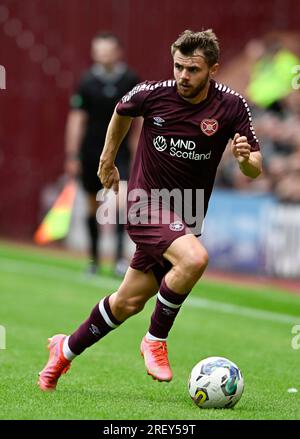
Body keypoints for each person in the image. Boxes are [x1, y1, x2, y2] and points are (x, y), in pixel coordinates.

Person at [38, 29, 262, 391]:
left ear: (214, 70)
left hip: (185, 215)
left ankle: (63, 350)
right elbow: (121, 110)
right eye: (178, 67)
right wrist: (107, 159)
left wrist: (244, 160)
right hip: (144, 205)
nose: (183, 77)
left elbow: (255, 164)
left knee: (127, 302)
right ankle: (155, 340)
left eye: (192, 70)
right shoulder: (152, 94)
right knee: (194, 259)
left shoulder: (232, 106)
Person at [64, 31, 140, 276]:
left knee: (119, 202)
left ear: (118, 52)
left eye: (107, 50)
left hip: (121, 152)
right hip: (92, 151)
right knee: (90, 204)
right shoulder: (86, 82)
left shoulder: (130, 80)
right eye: (98, 50)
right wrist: (72, 155)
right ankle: (94, 259)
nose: (103, 55)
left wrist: (139, 150)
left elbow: (140, 120)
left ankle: (118, 258)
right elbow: (77, 119)